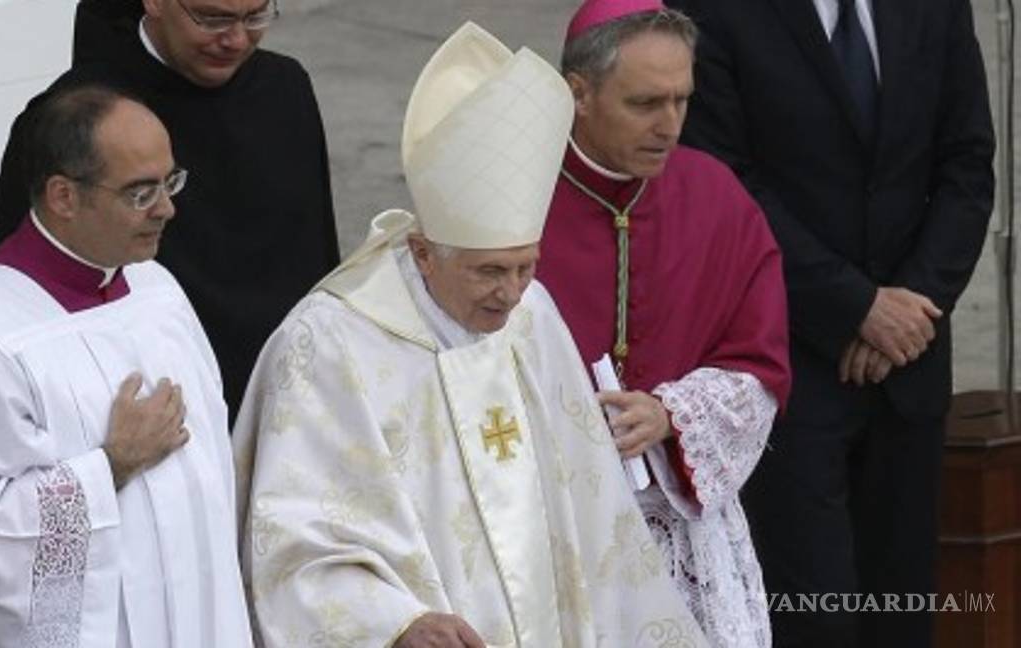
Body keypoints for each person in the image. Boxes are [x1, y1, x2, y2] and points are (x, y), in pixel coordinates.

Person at [232, 22, 708, 647]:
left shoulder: (533, 315)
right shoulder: (329, 343)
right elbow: (294, 540)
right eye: (488, 272)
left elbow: (591, 510)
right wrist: (394, 623)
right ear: (423, 252)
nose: (510, 294)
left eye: (525, 267)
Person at [663, 0, 996, 644]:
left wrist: (911, 304)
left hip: (909, 361)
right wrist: (855, 308)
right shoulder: (715, 12)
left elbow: (966, 164)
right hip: (787, 363)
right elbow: (728, 182)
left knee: (901, 608)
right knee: (812, 612)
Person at [0, 85, 252, 648]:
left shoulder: (157, 290)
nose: (166, 208)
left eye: (170, 182)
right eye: (141, 193)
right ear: (63, 196)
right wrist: (110, 466)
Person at [534, 1, 792, 646]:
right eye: (645, 103)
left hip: (678, 519)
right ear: (578, 94)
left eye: (682, 100)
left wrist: (671, 413)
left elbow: (760, 364)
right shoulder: (517, 197)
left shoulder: (717, 197)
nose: (670, 125)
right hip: (550, 515)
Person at [0, 0, 339, 422]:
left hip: (286, 398)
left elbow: (315, 252)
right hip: (148, 407)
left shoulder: (284, 88)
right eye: (213, 18)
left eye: (256, 16)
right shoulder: (71, 119)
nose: (237, 40)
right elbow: (13, 289)